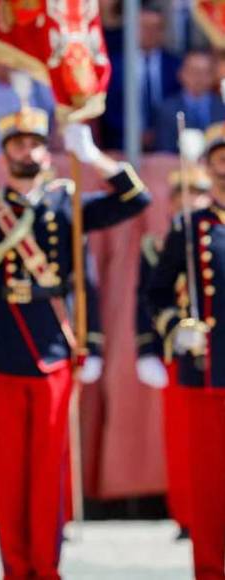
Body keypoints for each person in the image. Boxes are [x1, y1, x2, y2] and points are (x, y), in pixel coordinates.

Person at [0, 107, 151, 579]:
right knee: (8, 475)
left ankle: (47, 567)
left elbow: (136, 200)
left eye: (35, 143)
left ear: (48, 150)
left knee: (49, 472)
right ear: (5, 153)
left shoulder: (68, 204)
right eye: (18, 144)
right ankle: (14, 567)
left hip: (54, 353)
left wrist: (96, 158)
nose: (27, 151)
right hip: (2, 352)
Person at [147, 121, 225, 580]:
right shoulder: (190, 226)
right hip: (208, 371)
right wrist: (178, 327)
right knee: (211, 488)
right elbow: (156, 293)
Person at [136, 164, 210, 540]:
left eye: (195, 193)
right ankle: (185, 512)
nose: (188, 201)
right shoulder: (157, 245)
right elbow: (147, 298)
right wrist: (147, 347)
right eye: (181, 194)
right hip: (175, 347)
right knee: (181, 440)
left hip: (212, 349)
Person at [102, 1, 180, 150]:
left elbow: (179, 104)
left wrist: (157, 133)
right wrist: (134, 133)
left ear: (163, 32)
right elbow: (108, 107)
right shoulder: (113, 65)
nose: (149, 33)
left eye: (155, 28)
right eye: (143, 27)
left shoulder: (176, 66)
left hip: (168, 144)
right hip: (121, 143)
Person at [155, 51, 225, 153]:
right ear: (181, 74)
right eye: (194, 71)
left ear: (213, 76)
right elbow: (164, 151)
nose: (199, 78)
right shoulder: (167, 108)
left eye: (205, 72)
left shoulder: (222, 107)